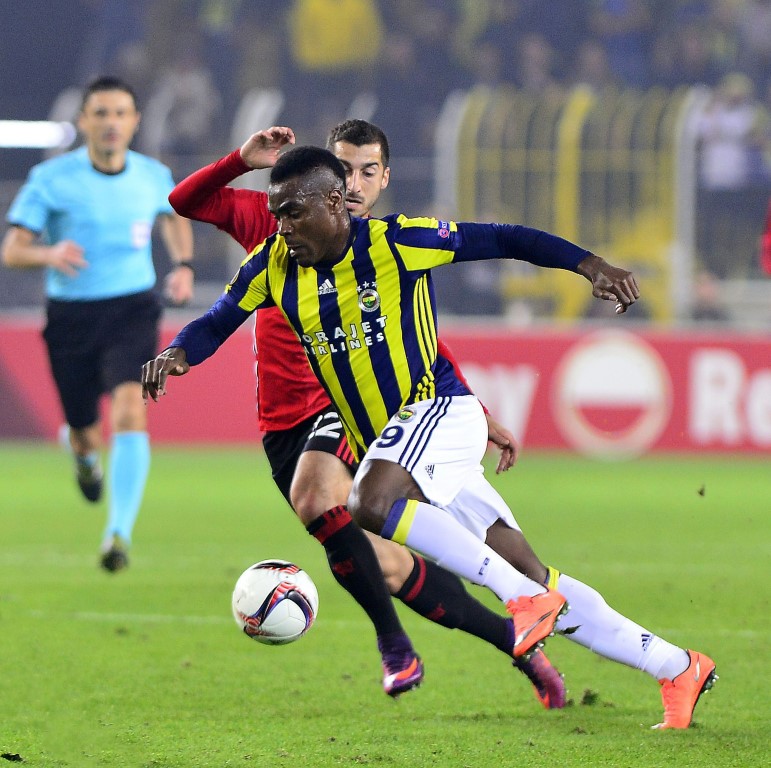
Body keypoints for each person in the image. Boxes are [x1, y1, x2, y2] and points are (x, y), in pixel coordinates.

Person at [143, 146, 717, 729]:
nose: (283, 227)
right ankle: (675, 666)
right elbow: (216, 320)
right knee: (532, 570)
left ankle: (522, 601)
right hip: (400, 446)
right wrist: (177, 353)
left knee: (369, 502)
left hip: (439, 413)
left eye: (293, 213)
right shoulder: (273, 265)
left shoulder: (398, 242)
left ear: (334, 203)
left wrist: (589, 265)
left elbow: (504, 238)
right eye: (277, 214)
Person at [167, 120, 565, 706]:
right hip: (281, 422)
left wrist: (476, 409)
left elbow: (416, 345)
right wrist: (240, 161)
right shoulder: (277, 220)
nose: (354, 184)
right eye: (345, 169)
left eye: (366, 172)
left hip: (346, 411)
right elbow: (185, 202)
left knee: (314, 495)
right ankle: (515, 641)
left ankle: (395, 645)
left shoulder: (379, 245)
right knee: (389, 566)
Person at [1, 76, 194, 573]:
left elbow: (173, 214)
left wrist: (182, 265)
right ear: (83, 121)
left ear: (135, 121)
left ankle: (117, 534)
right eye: (101, 113)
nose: (111, 123)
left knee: (131, 410)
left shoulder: (152, 175)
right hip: (72, 318)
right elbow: (12, 250)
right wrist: (49, 253)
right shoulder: (52, 180)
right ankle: (85, 460)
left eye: (120, 113)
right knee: (85, 432)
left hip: (133, 309)